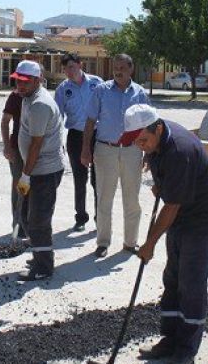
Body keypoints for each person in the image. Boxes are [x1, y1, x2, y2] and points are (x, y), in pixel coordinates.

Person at [121, 104, 208, 364]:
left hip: (200, 218)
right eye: (135, 142)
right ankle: (170, 339)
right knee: (173, 277)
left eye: (143, 140)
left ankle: (186, 349)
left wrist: (149, 244)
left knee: (192, 282)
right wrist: (162, 181)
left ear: (158, 127)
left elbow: (171, 206)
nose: (140, 146)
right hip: (180, 213)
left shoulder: (180, 150)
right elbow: (161, 170)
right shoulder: (155, 143)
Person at [81, 53, 149, 258]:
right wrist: (86, 149)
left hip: (132, 151)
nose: (118, 71)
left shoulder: (140, 93)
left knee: (132, 199)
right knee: (104, 199)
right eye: (115, 68)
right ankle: (102, 242)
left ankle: (130, 242)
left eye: (122, 68)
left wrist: (149, 153)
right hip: (105, 150)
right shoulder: (101, 90)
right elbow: (90, 122)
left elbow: (148, 125)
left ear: (131, 69)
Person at [11, 60, 66, 281]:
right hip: (35, 169)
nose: (20, 85)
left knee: (38, 220)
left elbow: (36, 144)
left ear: (37, 80)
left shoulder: (39, 104)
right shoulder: (27, 97)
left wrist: (25, 174)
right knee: (26, 216)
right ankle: (39, 255)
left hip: (44, 170)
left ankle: (43, 268)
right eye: (17, 80)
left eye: (25, 81)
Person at [54, 53, 103, 232]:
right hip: (75, 136)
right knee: (79, 179)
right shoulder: (63, 89)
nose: (69, 71)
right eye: (66, 68)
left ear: (80, 65)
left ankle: (101, 217)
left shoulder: (96, 83)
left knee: (98, 180)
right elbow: (57, 116)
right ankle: (81, 217)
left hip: (98, 136)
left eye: (72, 67)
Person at [1, 88, 27, 238]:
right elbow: (5, 121)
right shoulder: (16, 96)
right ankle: (18, 225)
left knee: (34, 187)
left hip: (37, 150)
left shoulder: (41, 97)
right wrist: (7, 147)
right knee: (20, 186)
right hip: (17, 149)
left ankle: (31, 223)